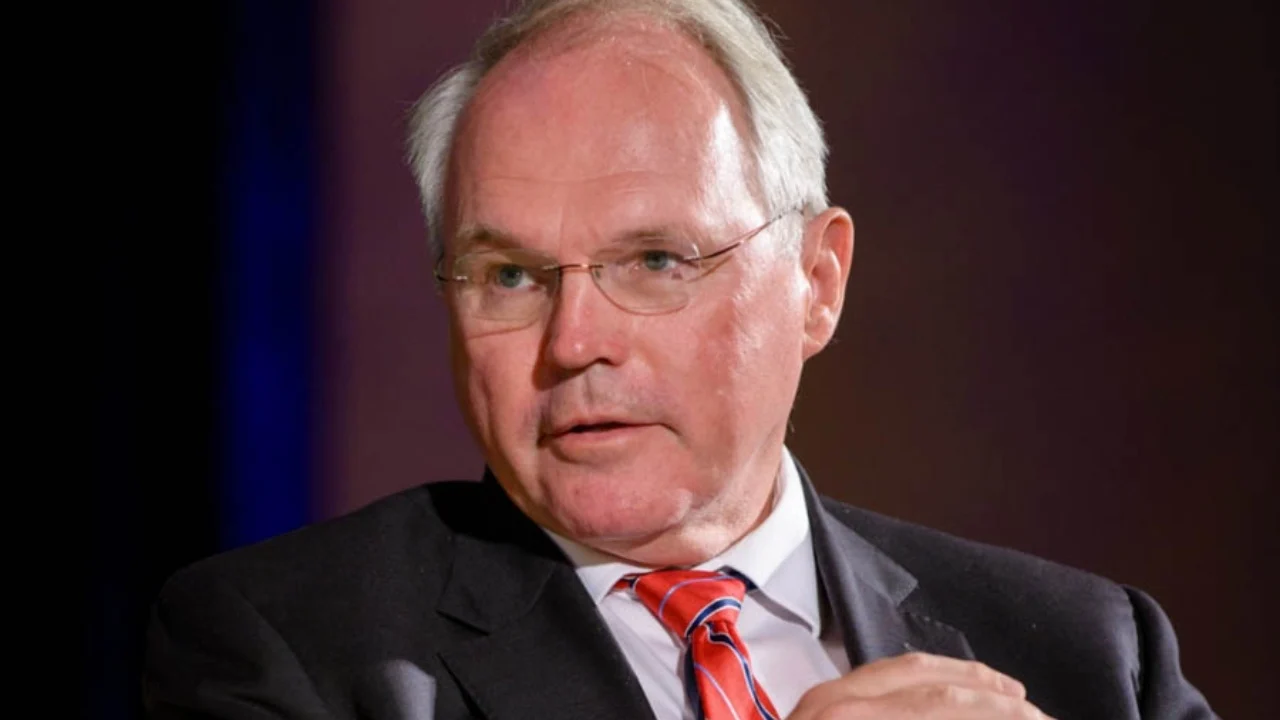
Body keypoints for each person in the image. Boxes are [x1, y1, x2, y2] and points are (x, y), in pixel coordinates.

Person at [144, 1, 1217, 718]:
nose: (573, 343)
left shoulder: (1087, 653)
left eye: (655, 260)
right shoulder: (291, 649)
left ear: (817, 281)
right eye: (509, 275)